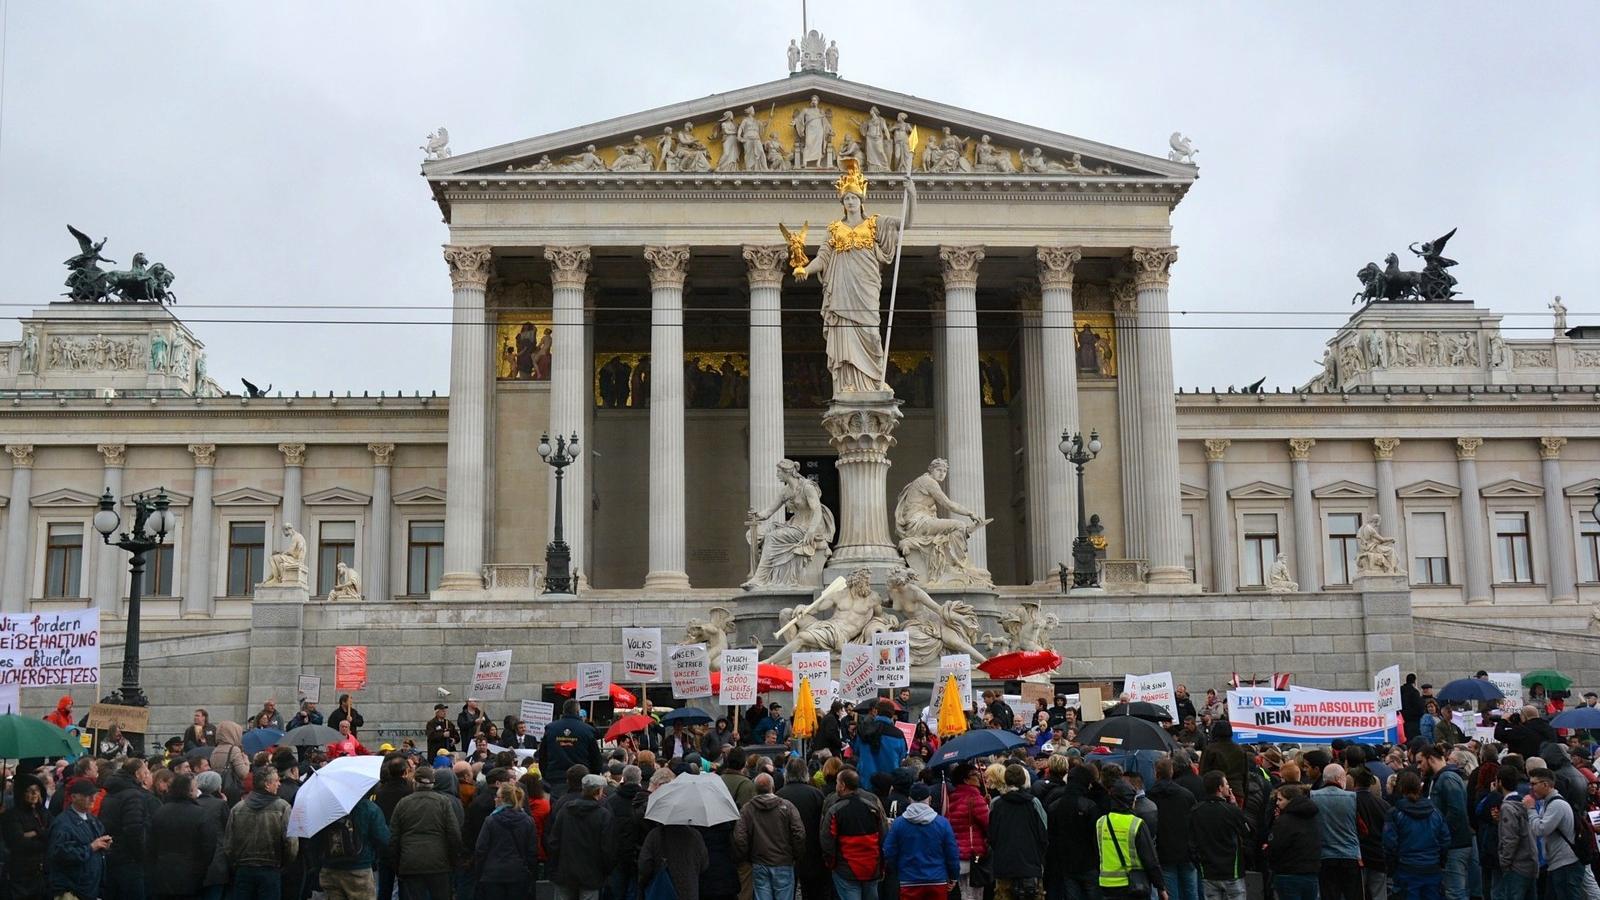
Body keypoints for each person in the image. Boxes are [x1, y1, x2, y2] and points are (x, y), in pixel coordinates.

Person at [390, 760, 465, 900]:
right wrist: (454, 860)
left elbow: (394, 837)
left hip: (410, 862)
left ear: (414, 783)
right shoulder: (443, 802)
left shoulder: (403, 803)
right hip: (439, 862)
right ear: (432, 783)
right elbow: (454, 834)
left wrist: (397, 864)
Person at [224, 766, 296, 900]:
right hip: (271, 868)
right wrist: (284, 864)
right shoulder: (282, 807)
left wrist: (235, 863)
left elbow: (229, 843)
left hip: (243, 869)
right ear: (267, 785)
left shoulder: (237, 808)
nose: (279, 784)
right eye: (276, 781)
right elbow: (291, 843)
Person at [734, 773, 806, 900]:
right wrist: (796, 855)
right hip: (783, 861)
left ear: (755, 789)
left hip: (759, 862)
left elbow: (740, 837)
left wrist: (746, 856)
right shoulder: (787, 807)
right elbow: (799, 833)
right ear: (773, 787)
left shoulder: (748, 809)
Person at [147, 774, 219, 900]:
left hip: (162, 873)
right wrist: (202, 869)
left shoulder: (160, 812)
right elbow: (209, 846)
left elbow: (150, 844)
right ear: (190, 791)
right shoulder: (201, 814)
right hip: (192, 875)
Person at [1383, 770, 1452, 900]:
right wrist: (1440, 860)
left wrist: (1392, 866)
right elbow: (1445, 840)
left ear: (1401, 788)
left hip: (1406, 868)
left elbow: (1389, 843)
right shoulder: (1435, 812)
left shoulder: (1395, 813)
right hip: (1431, 866)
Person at [883, 782, 959, 900]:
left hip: (909, 879)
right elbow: (952, 853)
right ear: (929, 799)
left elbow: (889, 852)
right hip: (937, 879)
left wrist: (897, 871)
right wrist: (953, 876)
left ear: (909, 799)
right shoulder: (942, 823)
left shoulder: (899, 823)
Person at [99, 757, 161, 900]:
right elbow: (134, 829)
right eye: (145, 772)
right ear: (137, 774)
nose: (147, 776)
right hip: (129, 859)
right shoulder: (133, 795)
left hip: (113, 854)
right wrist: (141, 855)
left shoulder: (112, 792)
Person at [1418, 745, 1474, 900]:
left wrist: (1441, 835)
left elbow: (1456, 812)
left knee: (1455, 892)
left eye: (1420, 762)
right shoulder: (1438, 779)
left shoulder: (1447, 778)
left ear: (1430, 759)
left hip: (1454, 845)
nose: (1418, 766)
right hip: (1452, 844)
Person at [821, 768, 886, 900]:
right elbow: (883, 833)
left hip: (846, 869)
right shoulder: (872, 805)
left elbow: (827, 840)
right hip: (871, 867)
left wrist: (831, 862)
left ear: (843, 785)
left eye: (837, 782)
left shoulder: (835, 810)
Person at [548, 774, 615, 900]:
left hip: (565, 872)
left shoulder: (565, 811)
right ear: (599, 791)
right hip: (591, 875)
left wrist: (554, 867)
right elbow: (607, 848)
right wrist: (606, 871)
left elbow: (553, 842)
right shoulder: (603, 815)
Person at [1097, 780, 1166, 900]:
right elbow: (1150, 859)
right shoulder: (1136, 824)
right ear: (1130, 801)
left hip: (1106, 884)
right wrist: (1160, 886)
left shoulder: (1101, 822)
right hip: (1133, 884)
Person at [317, 785, 390, 900]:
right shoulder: (369, 808)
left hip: (330, 869)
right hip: (359, 869)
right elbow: (383, 839)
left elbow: (315, 840)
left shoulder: (324, 808)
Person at [1523, 767, 1584, 900]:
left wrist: (1531, 809)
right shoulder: (1548, 802)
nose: (1531, 788)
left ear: (1545, 785)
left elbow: (1540, 829)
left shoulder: (1556, 805)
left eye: (1534, 784)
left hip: (1566, 864)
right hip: (1557, 863)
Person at [1189, 771, 1251, 900]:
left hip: (1208, 871)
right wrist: (1235, 807)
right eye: (1226, 784)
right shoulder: (1231, 810)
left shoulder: (1196, 811)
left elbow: (1191, 841)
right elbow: (1247, 831)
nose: (1229, 787)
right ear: (1219, 788)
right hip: (1231, 872)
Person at [991, 764, 1049, 900]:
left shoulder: (997, 804)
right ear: (1024, 780)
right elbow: (1044, 833)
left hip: (1004, 865)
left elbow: (992, 836)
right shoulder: (1034, 803)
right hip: (1031, 865)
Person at [48, 779, 111, 900]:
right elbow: (59, 854)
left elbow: (98, 844)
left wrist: (104, 845)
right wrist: (91, 847)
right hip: (72, 890)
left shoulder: (92, 819)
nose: (93, 799)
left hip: (91, 888)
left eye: (94, 795)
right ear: (74, 797)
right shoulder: (62, 824)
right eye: (88, 796)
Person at [474, 782, 538, 900]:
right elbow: (532, 851)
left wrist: (479, 872)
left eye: (497, 797)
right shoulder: (528, 821)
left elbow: (481, 849)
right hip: (518, 873)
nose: (494, 799)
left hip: (493, 874)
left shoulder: (491, 820)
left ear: (502, 799)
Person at [1308, 763, 1362, 900]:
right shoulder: (1353, 798)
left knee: (1328, 894)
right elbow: (1363, 828)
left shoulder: (1313, 796)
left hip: (1324, 856)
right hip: (1349, 855)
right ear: (1339, 778)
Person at [1149, 757, 1199, 900]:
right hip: (1186, 851)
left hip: (1164, 852)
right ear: (1171, 772)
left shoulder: (1150, 796)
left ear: (1156, 773)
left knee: (1170, 895)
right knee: (1191, 893)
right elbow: (1194, 822)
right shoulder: (1186, 795)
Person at [2, 773, 53, 900]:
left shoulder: (43, 813)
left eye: (36, 790)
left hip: (42, 872)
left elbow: (54, 830)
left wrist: (35, 832)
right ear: (21, 793)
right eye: (29, 791)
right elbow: (19, 842)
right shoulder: (12, 815)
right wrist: (44, 838)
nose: (34, 794)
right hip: (21, 874)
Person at [1266, 785, 1321, 900]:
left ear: (1290, 801)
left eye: (1280, 799)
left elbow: (1276, 847)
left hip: (1287, 873)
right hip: (1311, 873)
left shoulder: (1284, 821)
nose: (1277, 803)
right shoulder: (1313, 818)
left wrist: (1267, 850)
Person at [638, 815, 710, 900]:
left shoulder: (655, 835)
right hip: (689, 892)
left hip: (662, 891)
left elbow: (644, 866)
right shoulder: (696, 836)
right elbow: (704, 865)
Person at [540, 700, 602, 797]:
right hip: (581, 780)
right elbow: (596, 759)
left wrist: (546, 774)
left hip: (555, 778)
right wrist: (592, 776)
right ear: (578, 711)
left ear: (563, 711)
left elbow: (542, 756)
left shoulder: (551, 728)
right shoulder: (587, 730)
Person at [944, 763, 989, 891]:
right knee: (973, 895)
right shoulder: (975, 798)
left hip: (955, 853)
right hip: (973, 853)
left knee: (962, 892)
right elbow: (988, 824)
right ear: (966, 779)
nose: (979, 776)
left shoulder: (952, 797)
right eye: (974, 775)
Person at [1494, 767, 1537, 900]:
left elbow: (1510, 837)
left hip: (1517, 865)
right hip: (1530, 861)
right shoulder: (1523, 802)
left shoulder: (1507, 807)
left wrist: (1504, 861)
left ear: (1500, 782)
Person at [851, 699, 909, 784]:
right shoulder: (898, 735)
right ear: (892, 714)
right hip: (888, 781)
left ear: (877, 711)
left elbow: (856, 751)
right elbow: (902, 756)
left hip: (865, 780)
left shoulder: (863, 729)